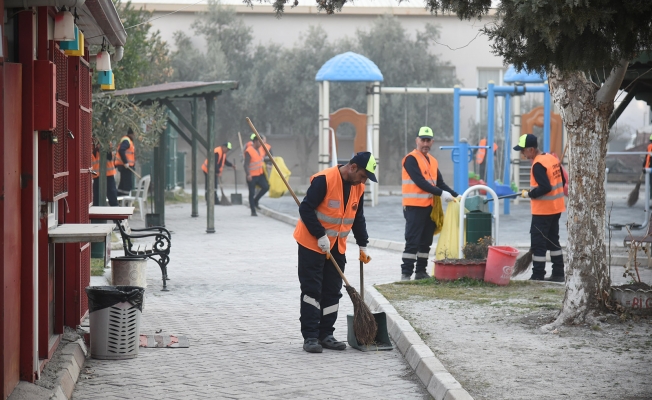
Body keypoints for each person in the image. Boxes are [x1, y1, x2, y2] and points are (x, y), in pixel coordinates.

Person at [294, 151, 376, 353]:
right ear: (353, 167)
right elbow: (305, 209)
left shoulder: (359, 187)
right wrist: (320, 235)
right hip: (312, 244)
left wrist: (363, 244)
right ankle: (311, 337)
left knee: (332, 291)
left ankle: (326, 334)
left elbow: (358, 217)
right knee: (312, 291)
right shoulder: (324, 180)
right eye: (363, 176)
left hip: (337, 247)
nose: (363, 181)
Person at [401, 126, 459, 281]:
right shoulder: (410, 159)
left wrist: (457, 196)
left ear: (432, 141)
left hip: (429, 208)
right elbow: (420, 182)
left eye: (428, 140)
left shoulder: (432, 161)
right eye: (423, 140)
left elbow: (439, 183)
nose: (425, 143)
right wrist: (441, 193)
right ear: (417, 140)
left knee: (426, 242)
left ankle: (420, 272)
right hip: (414, 207)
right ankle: (406, 274)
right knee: (412, 241)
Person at [513, 133, 566, 282]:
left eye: (523, 150)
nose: (522, 153)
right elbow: (561, 180)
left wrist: (530, 194)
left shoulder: (537, 165)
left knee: (538, 243)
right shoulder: (551, 158)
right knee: (553, 241)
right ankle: (558, 273)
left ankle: (538, 275)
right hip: (556, 209)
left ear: (531, 149)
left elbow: (545, 187)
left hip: (543, 211)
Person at [244, 136, 270, 216]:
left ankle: (256, 200)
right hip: (252, 176)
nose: (261, 143)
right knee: (251, 193)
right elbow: (246, 164)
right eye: (260, 142)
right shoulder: (249, 151)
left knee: (266, 187)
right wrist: (248, 174)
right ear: (255, 142)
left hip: (260, 174)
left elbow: (261, 159)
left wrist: (270, 160)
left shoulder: (261, 149)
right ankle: (253, 210)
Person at [91, 139, 119, 206]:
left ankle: (116, 213)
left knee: (112, 197)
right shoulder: (91, 143)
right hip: (97, 175)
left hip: (108, 174)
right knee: (97, 199)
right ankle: (97, 214)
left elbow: (109, 156)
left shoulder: (106, 142)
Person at [115, 128, 136, 196]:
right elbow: (121, 150)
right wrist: (126, 162)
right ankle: (125, 202)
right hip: (126, 166)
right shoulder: (127, 141)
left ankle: (120, 199)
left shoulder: (127, 140)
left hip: (125, 166)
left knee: (122, 184)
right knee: (127, 185)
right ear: (132, 134)